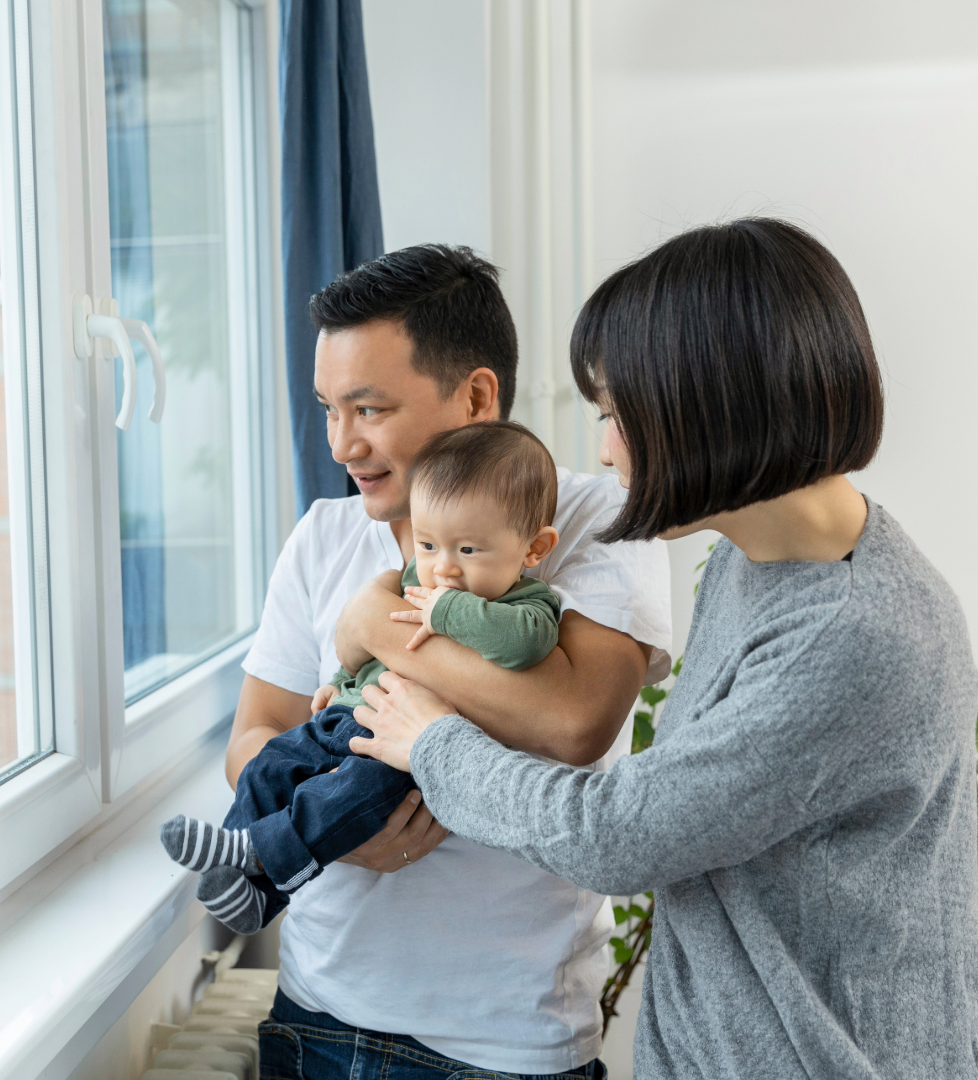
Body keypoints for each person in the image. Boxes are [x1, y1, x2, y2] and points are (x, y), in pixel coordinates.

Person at [351, 219, 978, 1080]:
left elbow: (619, 836)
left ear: (712, 401)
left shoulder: (853, 631)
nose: (605, 448)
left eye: (615, 413)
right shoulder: (755, 564)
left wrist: (429, 741)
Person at [228, 244, 672, 1077]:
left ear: (475, 396)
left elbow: (574, 720)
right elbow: (255, 734)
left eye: (368, 408)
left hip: (502, 1043)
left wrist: (380, 626)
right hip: (314, 1015)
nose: (342, 443)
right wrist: (335, 826)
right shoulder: (325, 535)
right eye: (328, 409)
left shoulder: (591, 517)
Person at [161, 421, 563, 935]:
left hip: (399, 751)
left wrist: (447, 613)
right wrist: (339, 679)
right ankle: (251, 886)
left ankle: (260, 851)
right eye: (428, 545)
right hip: (347, 714)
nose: (444, 571)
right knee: (270, 764)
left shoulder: (526, 604)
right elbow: (374, 648)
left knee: (356, 790)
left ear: (533, 550)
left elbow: (523, 644)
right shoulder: (410, 576)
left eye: (467, 550)